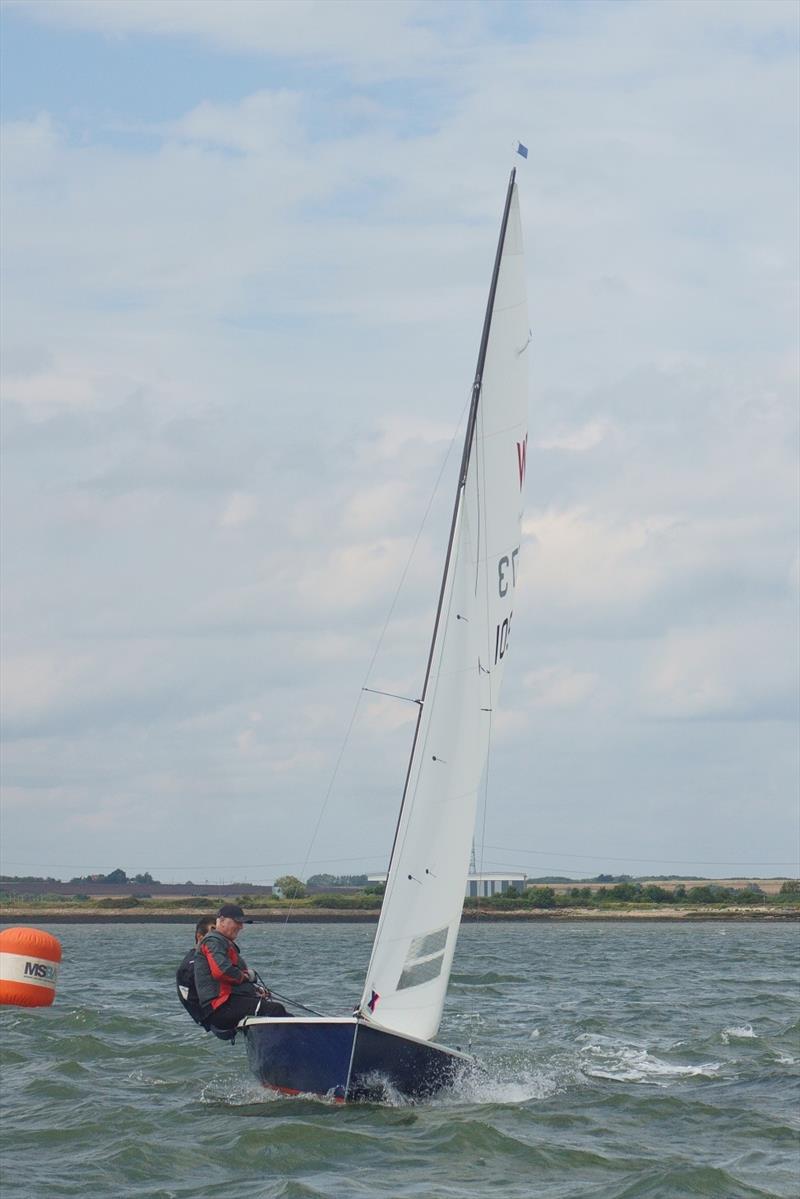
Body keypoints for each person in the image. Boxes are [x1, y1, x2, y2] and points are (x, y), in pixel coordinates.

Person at [194, 903, 289, 1031]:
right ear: (221, 920)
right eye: (237, 922)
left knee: (277, 1010)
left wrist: (253, 990)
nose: (241, 926)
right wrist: (247, 976)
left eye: (242, 923)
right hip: (219, 1007)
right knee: (275, 1009)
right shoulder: (213, 941)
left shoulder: (222, 941)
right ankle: (301, 1043)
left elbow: (229, 980)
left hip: (228, 1002)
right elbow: (222, 972)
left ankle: (307, 1037)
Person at [176, 915, 216, 1029]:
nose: (218, 940)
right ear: (200, 937)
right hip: (212, 1018)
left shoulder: (213, 959)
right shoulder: (191, 966)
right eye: (213, 936)